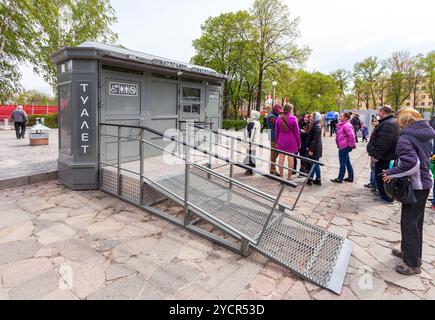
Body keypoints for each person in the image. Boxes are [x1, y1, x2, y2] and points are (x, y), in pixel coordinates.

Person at [383, 108, 435, 275]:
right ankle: (409, 253)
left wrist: (390, 173)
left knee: (410, 224)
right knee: (414, 223)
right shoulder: (425, 134)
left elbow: (412, 164)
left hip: (417, 185)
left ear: (403, 122)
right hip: (424, 184)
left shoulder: (406, 137)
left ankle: (412, 264)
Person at [367, 105, 400, 203]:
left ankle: (385, 196)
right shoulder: (389, 122)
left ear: (383, 112)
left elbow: (384, 143)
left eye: (379, 111)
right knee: (381, 175)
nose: (378, 113)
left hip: (383, 157)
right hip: (385, 156)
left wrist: (377, 155)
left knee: (381, 176)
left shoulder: (388, 124)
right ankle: (383, 194)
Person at [275, 104, 301, 180]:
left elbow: (277, 132)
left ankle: (281, 177)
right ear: (290, 110)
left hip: (281, 140)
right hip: (291, 141)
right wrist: (299, 143)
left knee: (281, 158)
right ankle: (289, 177)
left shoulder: (279, 119)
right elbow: (297, 132)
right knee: (291, 159)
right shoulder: (293, 119)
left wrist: (276, 142)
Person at [331, 112, 356, 183]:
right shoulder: (343, 125)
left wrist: (350, 146)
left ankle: (340, 178)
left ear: (346, 118)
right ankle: (350, 177)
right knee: (347, 162)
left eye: (341, 116)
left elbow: (352, 136)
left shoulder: (347, 125)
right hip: (343, 146)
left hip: (344, 147)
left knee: (342, 163)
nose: (339, 117)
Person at [306, 112, 323, 186]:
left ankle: (310, 179)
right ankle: (317, 179)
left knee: (313, 164)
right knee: (315, 164)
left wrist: (311, 150)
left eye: (312, 117)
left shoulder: (316, 126)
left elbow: (315, 140)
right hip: (315, 147)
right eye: (311, 116)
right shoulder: (315, 125)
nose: (310, 118)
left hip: (315, 148)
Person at [266, 104, 284, 176]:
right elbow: (280, 125)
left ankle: (272, 169)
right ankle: (272, 170)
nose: (279, 113)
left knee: (274, 154)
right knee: (274, 154)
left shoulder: (273, 115)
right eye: (279, 111)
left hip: (274, 136)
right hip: (274, 137)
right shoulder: (272, 117)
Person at [243, 110, 261, 175]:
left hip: (251, 142)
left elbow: (250, 134)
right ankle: (252, 169)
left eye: (251, 114)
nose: (249, 115)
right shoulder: (257, 123)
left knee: (249, 155)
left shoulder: (251, 123)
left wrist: (248, 143)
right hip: (255, 142)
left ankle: (250, 170)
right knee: (252, 155)